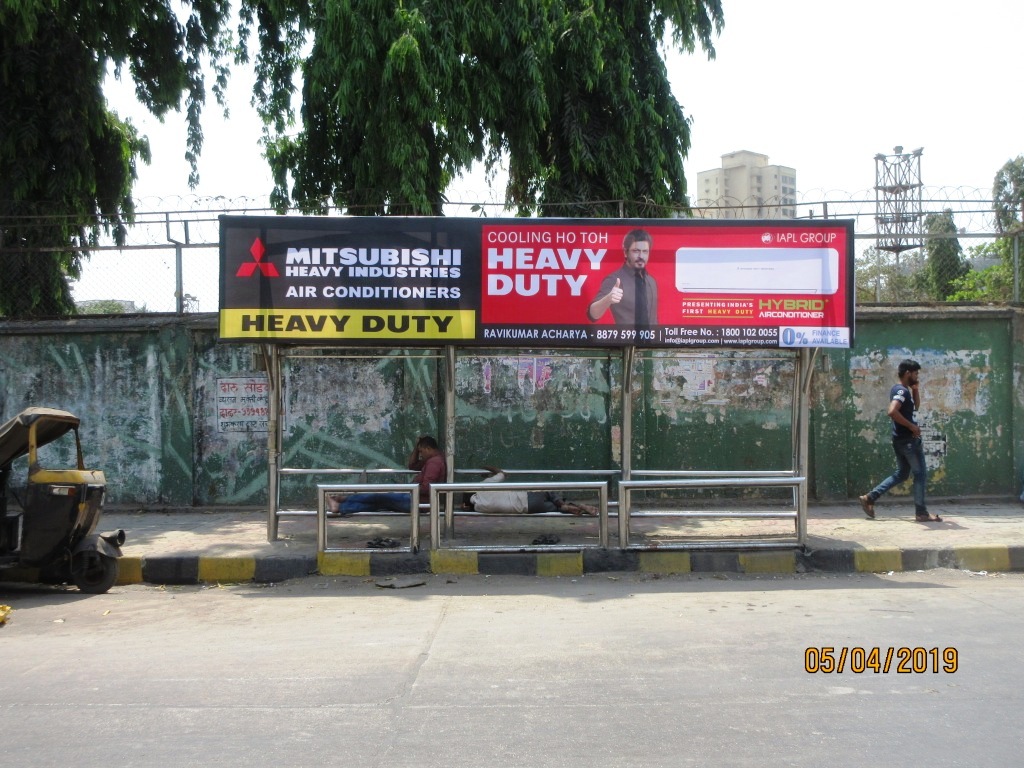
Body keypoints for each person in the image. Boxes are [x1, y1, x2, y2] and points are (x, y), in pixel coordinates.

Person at [859, 360, 942, 523]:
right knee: (920, 474)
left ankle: (870, 497)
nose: (917, 376)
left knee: (902, 473)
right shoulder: (901, 391)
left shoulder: (902, 390)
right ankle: (921, 513)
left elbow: (915, 407)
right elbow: (892, 411)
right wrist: (912, 426)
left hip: (900, 440)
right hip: (908, 441)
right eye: (916, 373)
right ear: (907, 373)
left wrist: (915, 390)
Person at [328, 435, 446, 515]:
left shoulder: (434, 463)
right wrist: (416, 447)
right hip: (415, 499)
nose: (420, 455)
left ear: (428, 449)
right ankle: (340, 507)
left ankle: (343, 499)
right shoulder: (432, 460)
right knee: (377, 504)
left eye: (421, 451)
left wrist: (406, 489)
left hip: (416, 501)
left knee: (379, 495)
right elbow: (412, 465)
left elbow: (426, 488)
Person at [587, 229, 658, 326]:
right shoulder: (615, 280)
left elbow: (654, 320)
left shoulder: (651, 281)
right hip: (625, 336)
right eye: (636, 251)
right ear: (625, 252)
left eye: (645, 251)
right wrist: (608, 299)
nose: (641, 256)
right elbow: (592, 314)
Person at [462, 467, 597, 516]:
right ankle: (564, 504)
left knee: (557, 507)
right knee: (548, 490)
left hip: (530, 508)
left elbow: (468, 506)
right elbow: (501, 473)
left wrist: (466, 507)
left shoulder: (479, 508)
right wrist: (487, 469)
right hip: (529, 496)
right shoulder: (484, 485)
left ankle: (575, 507)